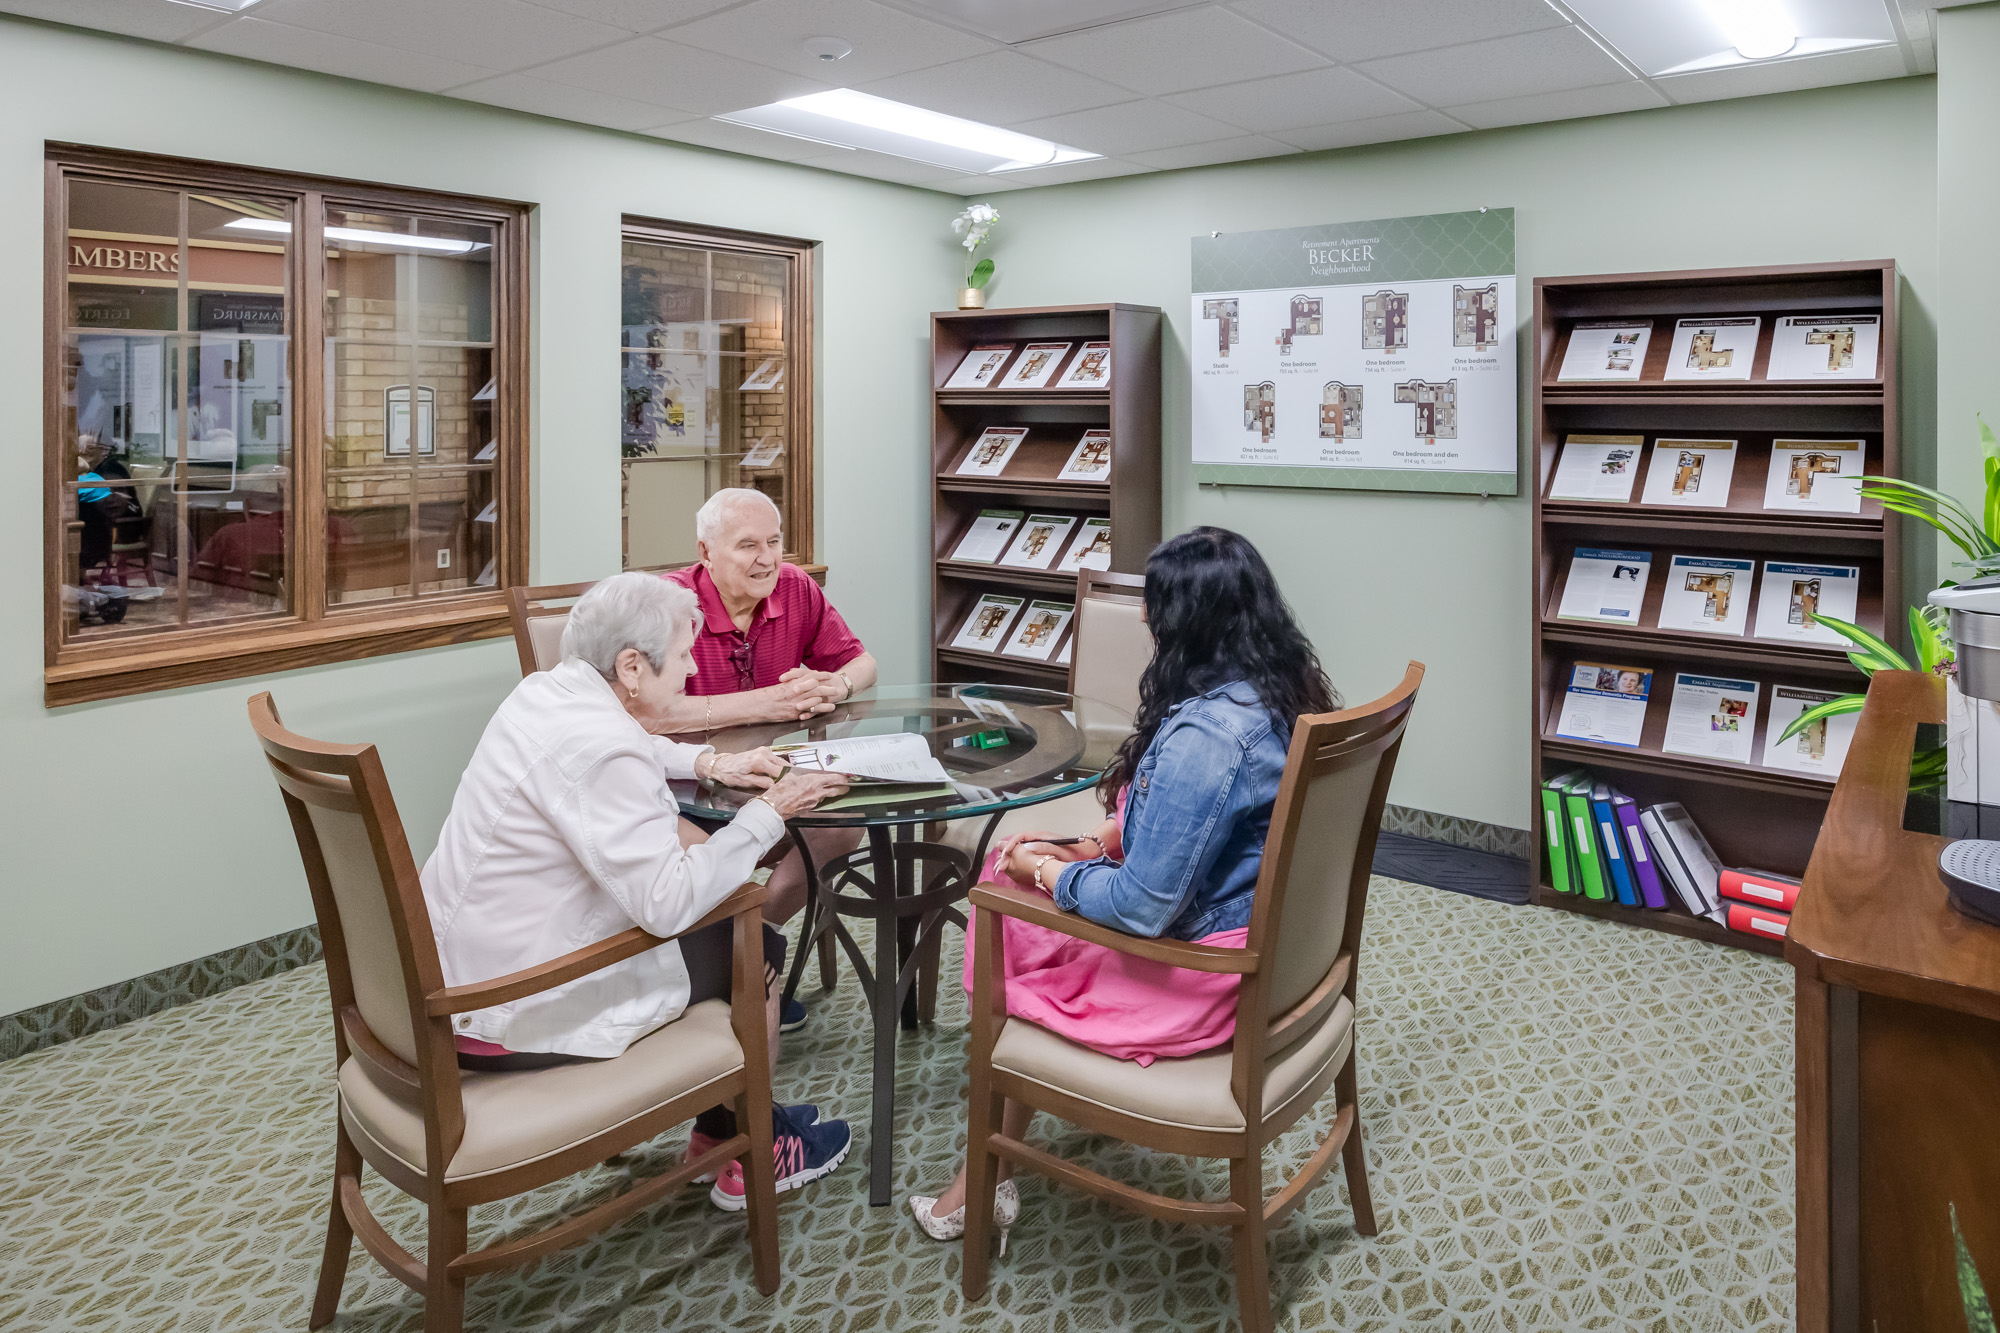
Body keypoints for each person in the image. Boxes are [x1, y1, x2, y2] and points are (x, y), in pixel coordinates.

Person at [908, 527, 1340, 1244]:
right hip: (1284, 957)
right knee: (1024, 891)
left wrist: (1045, 869)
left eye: (1156, 605)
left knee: (1002, 909)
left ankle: (982, 1175)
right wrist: (1096, 842)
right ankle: (985, 1171)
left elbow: (1142, 908)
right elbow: (1214, 826)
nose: (1144, 618)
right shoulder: (1276, 691)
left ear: (1191, 621)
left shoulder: (1208, 736)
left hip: (1208, 979)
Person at [421, 572, 854, 1211]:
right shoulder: (600, 751)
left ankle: (715, 1132)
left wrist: (706, 762)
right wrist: (771, 812)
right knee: (751, 942)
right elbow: (669, 902)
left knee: (721, 924)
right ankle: (754, 1148)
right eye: (681, 657)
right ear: (631, 665)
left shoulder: (544, 693)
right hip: (507, 1006)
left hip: (451, 972)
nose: (688, 673)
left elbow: (624, 745)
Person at [659, 487, 878, 1031]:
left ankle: (752, 946)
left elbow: (863, 661)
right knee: (708, 860)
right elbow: (648, 715)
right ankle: (732, 966)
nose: (767, 559)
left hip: (772, 776)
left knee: (844, 821)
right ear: (705, 552)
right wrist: (765, 702)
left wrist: (836, 682)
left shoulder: (796, 588)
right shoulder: (666, 605)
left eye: (774, 543)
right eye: (748, 545)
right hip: (686, 790)